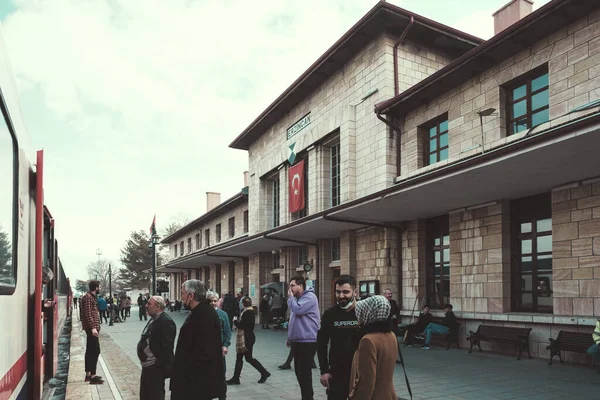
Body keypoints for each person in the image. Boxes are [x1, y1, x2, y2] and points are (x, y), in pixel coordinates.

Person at [170, 280, 226, 400]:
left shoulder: (204, 315)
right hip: (192, 383)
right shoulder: (199, 313)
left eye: (182, 293)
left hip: (195, 386)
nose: (181, 297)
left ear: (191, 296)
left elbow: (204, 352)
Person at [317, 275, 360, 400]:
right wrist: (324, 370)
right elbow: (321, 343)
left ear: (355, 292)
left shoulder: (363, 312)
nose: (341, 296)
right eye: (338, 292)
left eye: (345, 292)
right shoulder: (330, 314)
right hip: (337, 371)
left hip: (360, 371)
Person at [349, 295, 397, 400]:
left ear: (368, 313)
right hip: (389, 394)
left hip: (374, 396)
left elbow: (366, 381)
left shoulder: (368, 340)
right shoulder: (391, 335)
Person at [137, 296, 176, 400]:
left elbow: (167, 348)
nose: (146, 306)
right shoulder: (154, 319)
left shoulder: (166, 321)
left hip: (155, 368)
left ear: (158, 307)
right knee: (145, 395)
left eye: (149, 304)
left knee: (155, 395)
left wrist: (156, 365)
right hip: (147, 366)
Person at [287, 275, 320, 400]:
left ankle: (308, 397)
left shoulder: (309, 297)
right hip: (298, 340)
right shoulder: (298, 299)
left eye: (292, 286)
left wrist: (290, 299)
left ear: (301, 286)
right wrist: (290, 337)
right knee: (299, 372)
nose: (290, 289)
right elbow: (293, 320)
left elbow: (298, 310)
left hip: (308, 340)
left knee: (305, 372)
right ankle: (306, 396)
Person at [226, 297, 270, 386]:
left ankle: (264, 373)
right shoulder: (248, 311)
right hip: (246, 337)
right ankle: (236, 378)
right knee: (240, 358)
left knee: (248, 358)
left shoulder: (248, 312)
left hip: (246, 338)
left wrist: (235, 321)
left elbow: (242, 325)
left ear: (244, 303)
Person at [207, 290, 232, 400]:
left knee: (221, 376)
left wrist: (225, 345)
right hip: (206, 351)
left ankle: (222, 397)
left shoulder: (223, 314)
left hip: (219, 350)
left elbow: (227, 331)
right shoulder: (202, 314)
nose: (213, 303)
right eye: (210, 301)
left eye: (215, 301)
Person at [80, 280, 104, 384]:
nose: (100, 288)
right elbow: (88, 313)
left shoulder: (90, 297)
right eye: (99, 287)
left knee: (90, 351)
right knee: (95, 351)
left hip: (92, 328)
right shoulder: (88, 297)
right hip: (91, 329)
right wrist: (93, 327)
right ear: (96, 287)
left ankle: (89, 375)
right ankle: (92, 375)